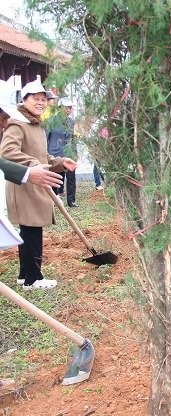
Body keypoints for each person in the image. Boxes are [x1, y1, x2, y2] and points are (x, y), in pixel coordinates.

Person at [0, 80, 77, 290]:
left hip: (35, 184)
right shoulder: (17, 124)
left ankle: (25, 275)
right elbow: (7, 153)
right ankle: (33, 279)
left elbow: (41, 156)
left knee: (30, 229)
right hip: (24, 184)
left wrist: (61, 163)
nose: (41, 103)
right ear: (24, 100)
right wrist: (33, 165)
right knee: (31, 230)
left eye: (44, 100)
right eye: (36, 99)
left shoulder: (36, 124)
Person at [46, 98, 78, 207]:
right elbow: (46, 138)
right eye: (67, 108)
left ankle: (71, 201)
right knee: (55, 177)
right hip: (55, 154)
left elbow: (72, 139)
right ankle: (54, 199)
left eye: (70, 108)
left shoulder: (71, 122)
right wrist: (45, 153)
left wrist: (74, 153)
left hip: (69, 154)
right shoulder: (51, 121)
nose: (69, 110)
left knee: (71, 177)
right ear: (60, 108)